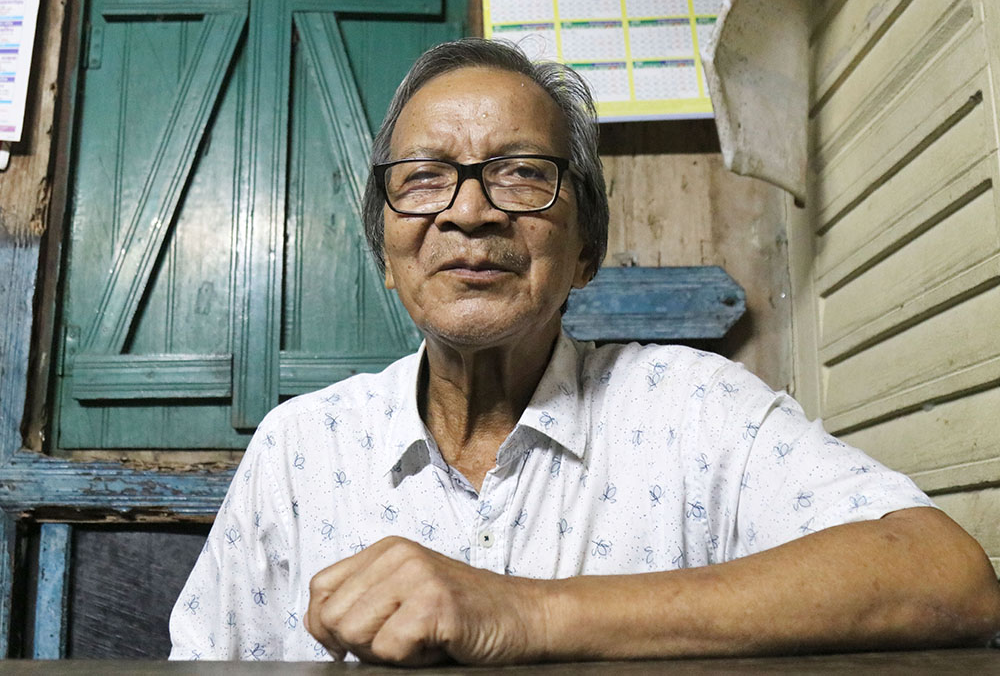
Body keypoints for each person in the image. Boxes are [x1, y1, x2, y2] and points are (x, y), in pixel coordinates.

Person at [169, 38, 1000, 663]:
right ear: (386, 256)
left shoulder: (693, 410)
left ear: (587, 247)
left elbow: (947, 576)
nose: (471, 213)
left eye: (523, 174)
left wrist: (526, 612)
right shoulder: (300, 448)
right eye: (424, 178)